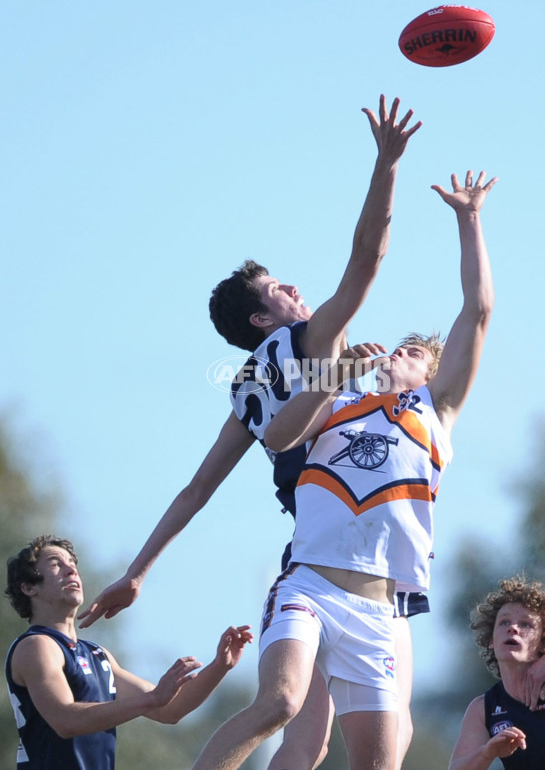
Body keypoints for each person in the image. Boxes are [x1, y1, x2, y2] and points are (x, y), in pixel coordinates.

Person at [78, 95, 423, 769]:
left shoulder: (246, 386)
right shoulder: (307, 340)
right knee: (302, 725)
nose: (296, 290)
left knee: (303, 738)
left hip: (326, 554)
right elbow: (367, 258)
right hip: (332, 557)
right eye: (280, 289)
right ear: (267, 320)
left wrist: (139, 573)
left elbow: (196, 488)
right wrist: (386, 167)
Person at [188, 169, 498, 770]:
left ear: (429, 375)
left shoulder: (436, 415)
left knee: (379, 762)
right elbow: (277, 436)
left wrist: (469, 219)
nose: (395, 352)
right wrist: (334, 378)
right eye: (396, 344)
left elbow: (478, 312)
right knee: (279, 705)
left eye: (412, 353)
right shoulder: (337, 401)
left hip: (379, 610)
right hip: (310, 584)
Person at [4, 534, 252, 770]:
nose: (71, 570)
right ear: (29, 588)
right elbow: (66, 720)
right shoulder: (36, 645)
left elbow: (170, 710)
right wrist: (152, 698)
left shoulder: (97, 655)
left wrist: (221, 666)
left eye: (72, 563)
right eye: (56, 564)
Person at [449, 576, 545, 769]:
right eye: (504, 622)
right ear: (491, 640)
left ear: (543, 641)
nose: (513, 628)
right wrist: (487, 753)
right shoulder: (484, 709)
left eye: (526, 624)